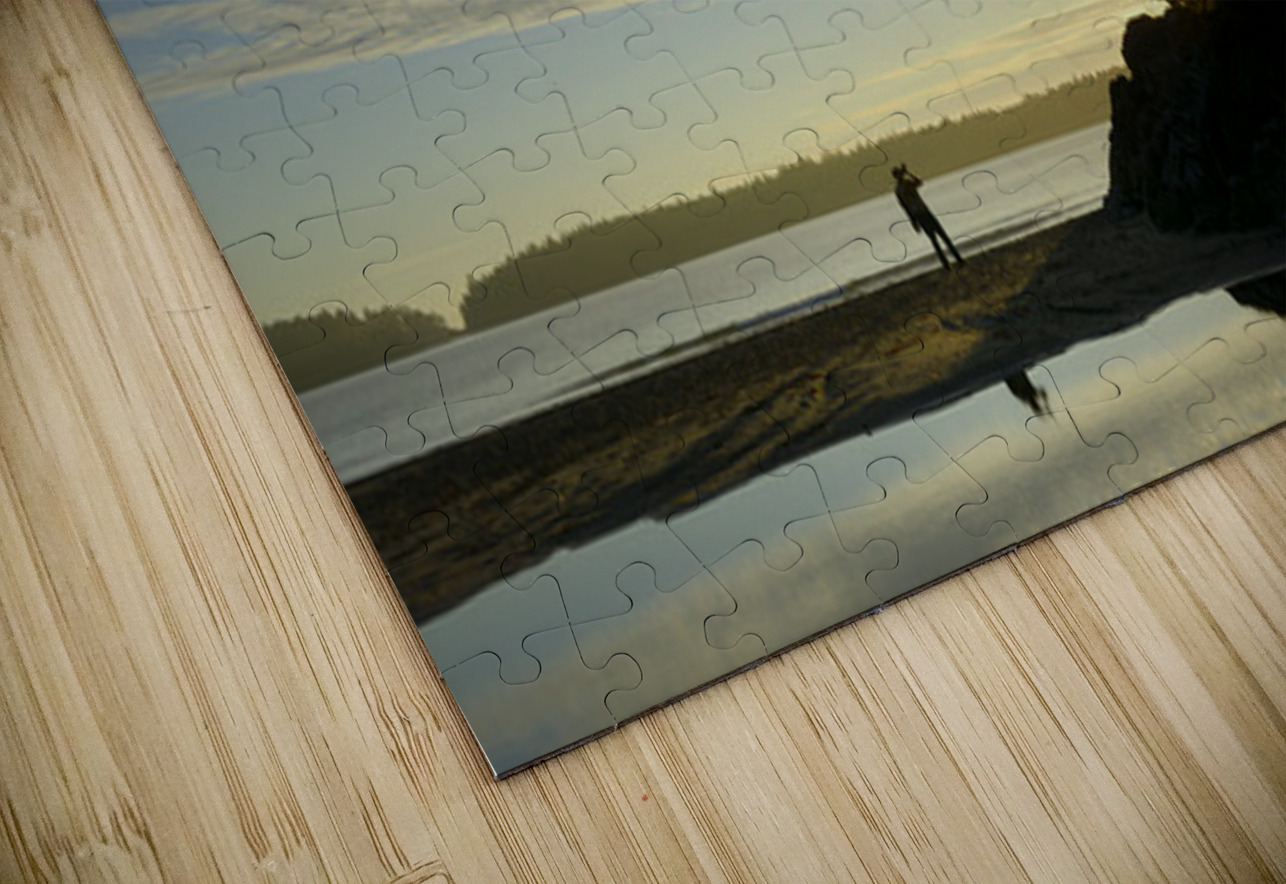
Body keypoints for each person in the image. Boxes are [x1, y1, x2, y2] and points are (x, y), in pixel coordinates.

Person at [892, 164, 964, 270]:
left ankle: (953, 261)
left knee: (939, 237)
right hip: (921, 213)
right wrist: (908, 173)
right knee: (938, 237)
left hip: (921, 212)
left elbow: (918, 184)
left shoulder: (901, 188)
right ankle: (952, 261)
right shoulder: (903, 186)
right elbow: (907, 203)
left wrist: (907, 173)